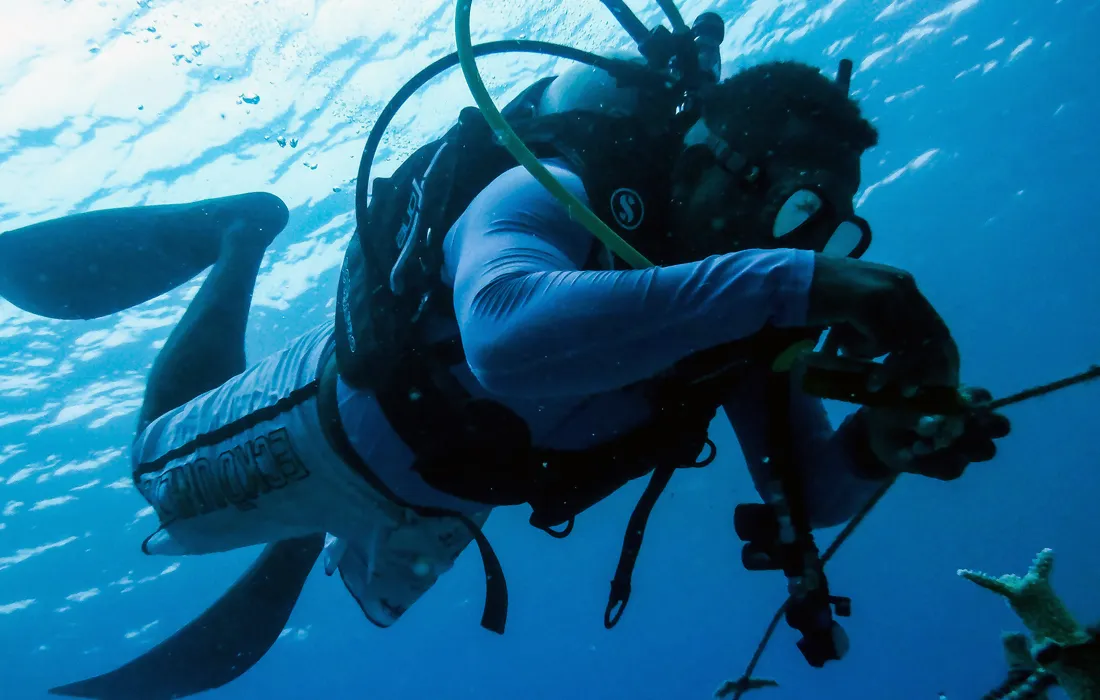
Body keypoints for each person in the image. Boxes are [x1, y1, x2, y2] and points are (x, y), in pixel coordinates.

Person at [1, 56, 1009, 699]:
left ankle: (311, 522)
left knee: (255, 621)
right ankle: (237, 236)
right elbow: (505, 334)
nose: (790, 239)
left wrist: (883, 443)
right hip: (331, 420)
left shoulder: (739, 316)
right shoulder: (559, 185)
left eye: (827, 226)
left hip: (438, 496)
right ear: (709, 154)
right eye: (792, 205)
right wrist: (809, 278)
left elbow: (814, 492)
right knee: (154, 471)